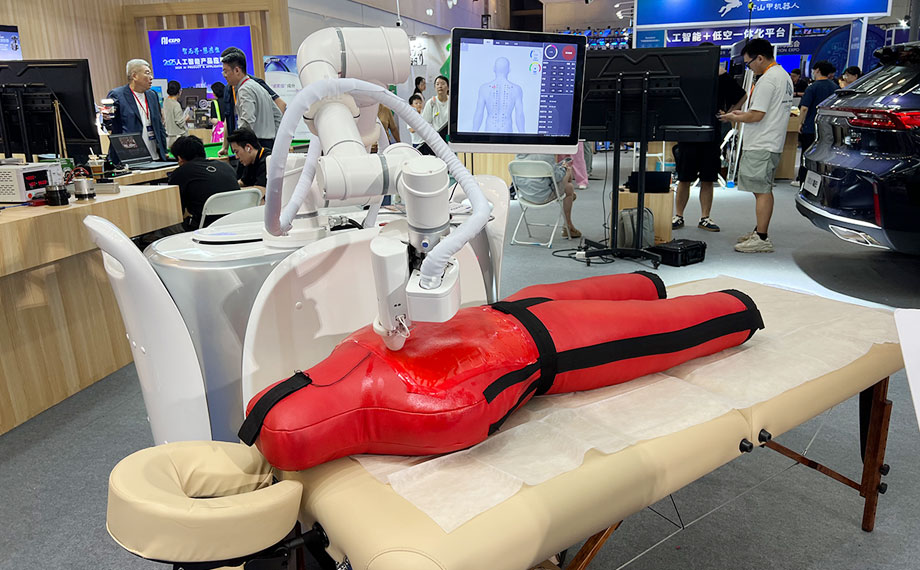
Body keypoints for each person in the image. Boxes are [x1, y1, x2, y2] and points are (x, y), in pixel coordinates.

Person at [719, 38, 793, 254]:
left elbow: (757, 115)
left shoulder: (769, 79)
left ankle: (761, 237)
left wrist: (733, 116)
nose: (749, 68)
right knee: (761, 188)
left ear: (760, 58)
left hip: (762, 142)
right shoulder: (782, 75)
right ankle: (759, 230)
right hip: (769, 140)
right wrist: (742, 114)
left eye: (749, 63)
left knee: (761, 190)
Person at [672, 44, 747, 233]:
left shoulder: (722, 76)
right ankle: (678, 215)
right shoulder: (688, 75)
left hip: (711, 133)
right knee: (684, 178)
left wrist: (728, 114)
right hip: (689, 133)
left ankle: (705, 218)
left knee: (708, 178)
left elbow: (742, 96)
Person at [218, 47, 284, 155]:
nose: (224, 75)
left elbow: (247, 123)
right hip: (268, 144)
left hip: (254, 145)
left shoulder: (244, 90)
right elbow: (277, 115)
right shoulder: (257, 86)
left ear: (237, 70)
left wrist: (239, 145)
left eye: (226, 71)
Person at [168, 135, 240, 230]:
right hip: (236, 223)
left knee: (166, 223)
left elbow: (176, 210)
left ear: (180, 158)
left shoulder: (181, 172)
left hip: (205, 229)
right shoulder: (226, 166)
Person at [103, 58, 168, 162]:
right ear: (134, 76)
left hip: (155, 155)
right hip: (130, 155)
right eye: (147, 73)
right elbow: (110, 121)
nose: (151, 77)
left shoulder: (152, 95)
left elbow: (159, 126)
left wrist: (164, 150)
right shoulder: (118, 95)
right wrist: (106, 116)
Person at [512, 153, 581, 239]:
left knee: (565, 187)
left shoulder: (519, 154)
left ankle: (568, 198)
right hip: (543, 197)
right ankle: (568, 225)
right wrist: (564, 169)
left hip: (524, 195)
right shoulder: (547, 155)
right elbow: (557, 177)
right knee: (569, 187)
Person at [796, 60, 837, 183]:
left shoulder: (812, 87)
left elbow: (804, 108)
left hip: (810, 127)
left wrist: (800, 123)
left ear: (817, 70)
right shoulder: (835, 87)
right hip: (829, 128)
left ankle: (804, 181)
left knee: (807, 154)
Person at [471, 57, 525, 133]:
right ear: (509, 70)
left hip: (490, 130)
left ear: (494, 69)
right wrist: (523, 134)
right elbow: (519, 115)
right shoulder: (516, 89)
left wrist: (473, 133)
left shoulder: (484, 88)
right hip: (506, 131)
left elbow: (479, 113)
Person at [228, 128, 270, 192]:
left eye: (237, 152)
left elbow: (261, 190)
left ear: (248, 148)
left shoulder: (266, 160)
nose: (236, 157)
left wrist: (234, 191)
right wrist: (228, 186)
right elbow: (244, 182)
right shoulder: (250, 160)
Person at [163, 80, 189, 148]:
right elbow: (179, 122)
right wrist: (186, 118)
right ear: (179, 91)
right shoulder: (176, 104)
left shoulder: (165, 101)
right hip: (178, 137)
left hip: (169, 135)